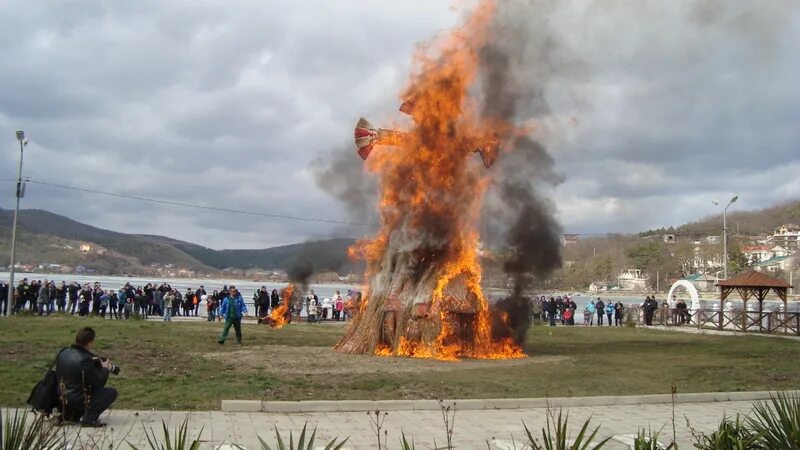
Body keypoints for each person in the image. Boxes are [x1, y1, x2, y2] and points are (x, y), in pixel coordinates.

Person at [55, 327, 118, 427]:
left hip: (61, 396)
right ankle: (89, 419)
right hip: (76, 398)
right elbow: (99, 382)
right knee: (111, 392)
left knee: (77, 387)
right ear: (89, 343)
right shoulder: (85, 360)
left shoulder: (64, 353)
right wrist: (105, 368)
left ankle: (68, 414)